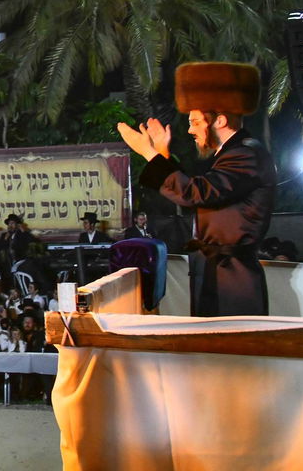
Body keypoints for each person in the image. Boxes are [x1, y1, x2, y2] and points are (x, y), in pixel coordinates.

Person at [118, 61, 275, 316]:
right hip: (219, 275)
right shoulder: (233, 154)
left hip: (233, 285)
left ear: (220, 120)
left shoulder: (246, 154)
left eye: (195, 121)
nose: (190, 129)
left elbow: (196, 193)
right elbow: (197, 187)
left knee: (230, 352)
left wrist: (149, 154)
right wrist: (163, 154)